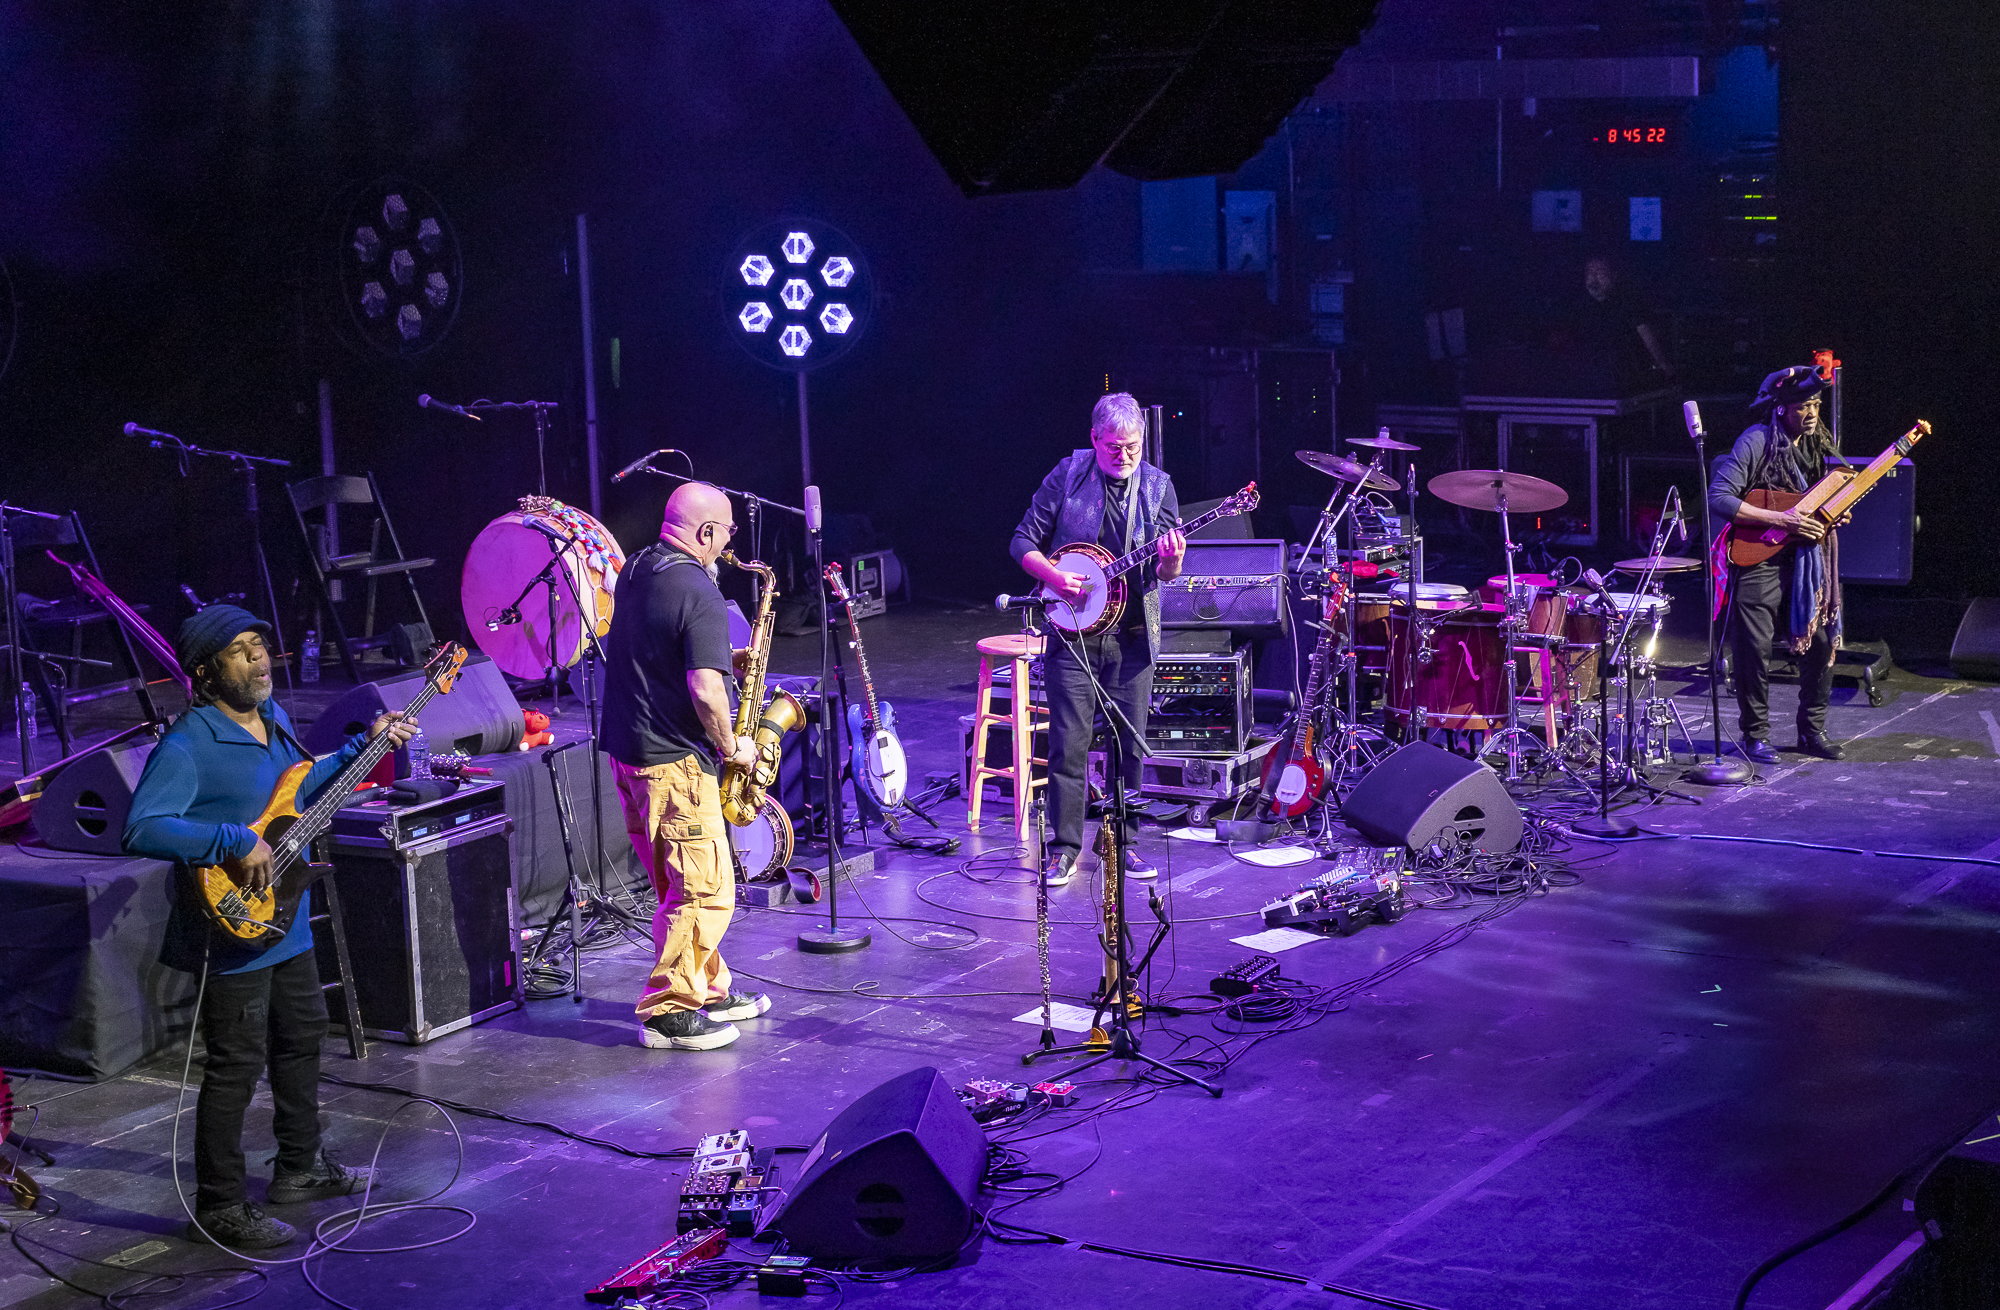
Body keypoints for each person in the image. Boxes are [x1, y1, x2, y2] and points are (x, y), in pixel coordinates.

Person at [124, 605, 417, 1250]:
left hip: (284, 915)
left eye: (260, 644)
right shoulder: (189, 742)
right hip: (231, 926)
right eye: (240, 651)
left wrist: (364, 746)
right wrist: (227, 838)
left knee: (303, 1037)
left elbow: (301, 785)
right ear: (206, 672)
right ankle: (221, 1203)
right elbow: (142, 826)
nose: (259, 658)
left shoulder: (275, 720)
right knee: (235, 1064)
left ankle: (300, 1167)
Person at [602, 481, 769, 1052]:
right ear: (704, 532)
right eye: (724, 534)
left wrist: (726, 657)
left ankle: (708, 987)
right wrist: (732, 747)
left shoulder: (639, 567)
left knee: (680, 883)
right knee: (704, 889)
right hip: (675, 763)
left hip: (632, 755)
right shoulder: (698, 589)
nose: (728, 546)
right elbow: (705, 690)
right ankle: (668, 1010)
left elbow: (656, 649)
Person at [1011, 392, 1185, 887]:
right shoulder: (1068, 475)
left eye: (1133, 447)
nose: (1124, 456)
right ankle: (1064, 850)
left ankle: (1123, 844)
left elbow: (1165, 571)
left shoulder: (1158, 488)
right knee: (1069, 745)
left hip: (1131, 639)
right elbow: (1022, 539)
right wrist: (1054, 576)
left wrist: (1172, 560)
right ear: (1094, 439)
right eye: (1113, 447)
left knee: (1129, 748)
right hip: (1073, 635)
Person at [1707, 365, 1845, 764]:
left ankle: (1812, 730)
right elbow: (1720, 497)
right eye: (1804, 406)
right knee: (1753, 647)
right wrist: (1779, 519)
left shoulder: (1819, 442)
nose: (1813, 412)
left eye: (1817, 404)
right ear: (1781, 409)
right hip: (1758, 555)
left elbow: (1823, 496)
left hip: (1805, 558)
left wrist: (1836, 513)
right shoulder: (1756, 441)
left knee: (1820, 644)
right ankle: (1755, 736)